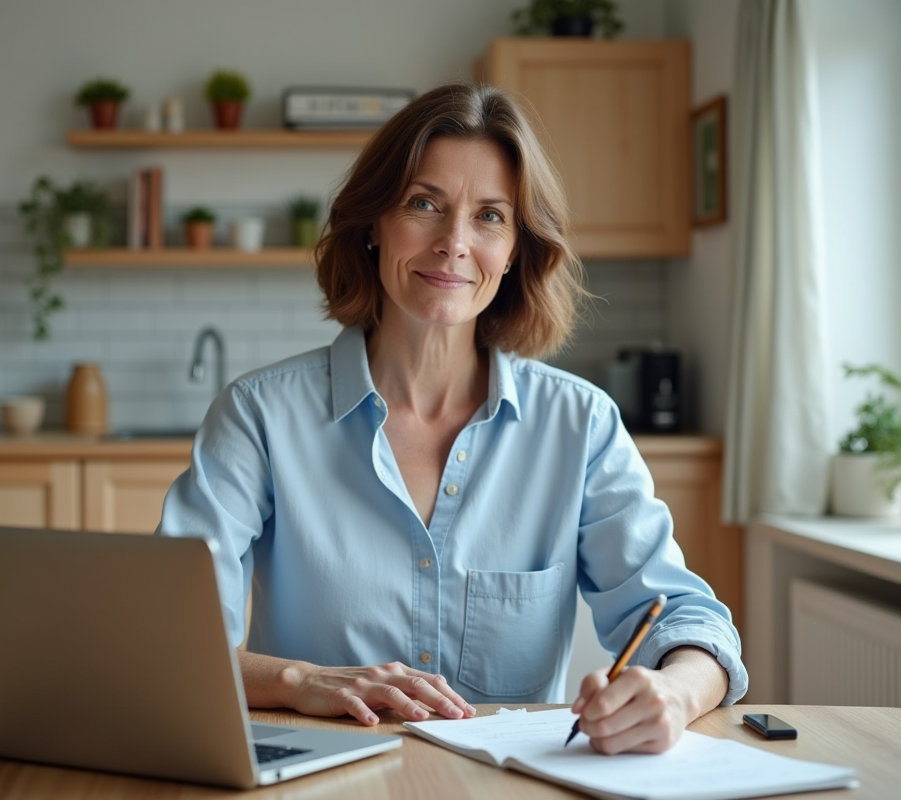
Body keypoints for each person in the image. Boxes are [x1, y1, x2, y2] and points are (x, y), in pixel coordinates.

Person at [158, 83, 747, 755]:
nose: (454, 243)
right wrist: (302, 680)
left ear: (518, 248)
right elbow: (175, 644)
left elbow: (690, 622)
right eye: (423, 204)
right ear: (373, 226)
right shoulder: (259, 416)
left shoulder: (579, 425)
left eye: (490, 216)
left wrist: (674, 694)